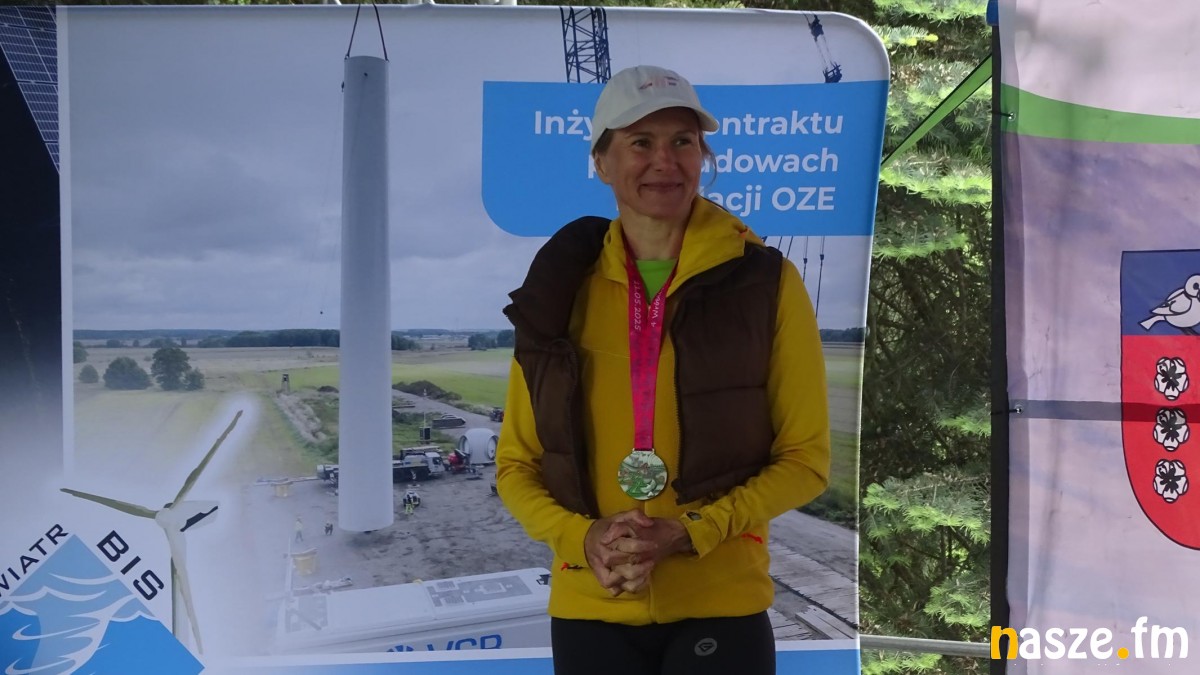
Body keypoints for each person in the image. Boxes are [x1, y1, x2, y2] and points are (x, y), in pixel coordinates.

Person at [496, 65, 830, 675]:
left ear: (703, 155)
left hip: (721, 604)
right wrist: (582, 538)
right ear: (601, 162)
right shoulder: (559, 288)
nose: (664, 161)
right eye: (640, 142)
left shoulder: (766, 282)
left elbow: (805, 460)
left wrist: (691, 530)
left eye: (682, 141)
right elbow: (517, 464)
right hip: (590, 606)